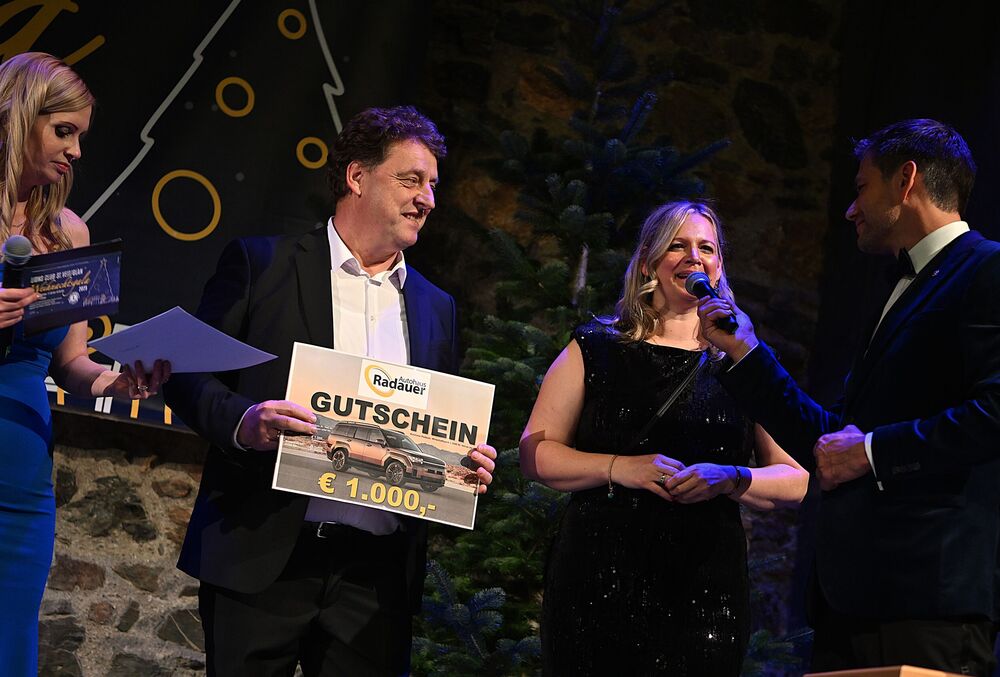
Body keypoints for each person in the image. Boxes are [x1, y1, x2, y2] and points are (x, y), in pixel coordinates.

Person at [163, 105, 497, 676]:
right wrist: (245, 423)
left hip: (376, 579)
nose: (427, 199)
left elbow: (432, 429)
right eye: (411, 180)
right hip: (264, 552)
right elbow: (187, 374)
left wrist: (461, 464)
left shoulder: (436, 306)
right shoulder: (262, 264)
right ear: (357, 177)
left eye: (432, 186)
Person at [698, 119, 1000, 675]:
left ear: (905, 180)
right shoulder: (899, 288)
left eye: (861, 188)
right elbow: (835, 445)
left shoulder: (988, 269)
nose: (850, 209)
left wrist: (874, 451)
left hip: (927, 599)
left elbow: (995, 414)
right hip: (851, 602)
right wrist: (746, 352)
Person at [519, 200, 808, 675]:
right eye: (678, 245)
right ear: (649, 263)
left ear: (719, 267)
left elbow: (795, 479)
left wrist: (731, 477)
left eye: (706, 248)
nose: (694, 257)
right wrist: (620, 468)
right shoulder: (596, 346)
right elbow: (536, 453)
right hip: (597, 577)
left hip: (703, 586)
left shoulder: (744, 360)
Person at [0, 52, 169, 676]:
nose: (75, 151)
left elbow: (72, 360)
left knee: (8, 640)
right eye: (63, 131)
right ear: (19, 117)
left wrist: (114, 381)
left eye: (80, 137)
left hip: (19, 475)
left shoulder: (68, 232)